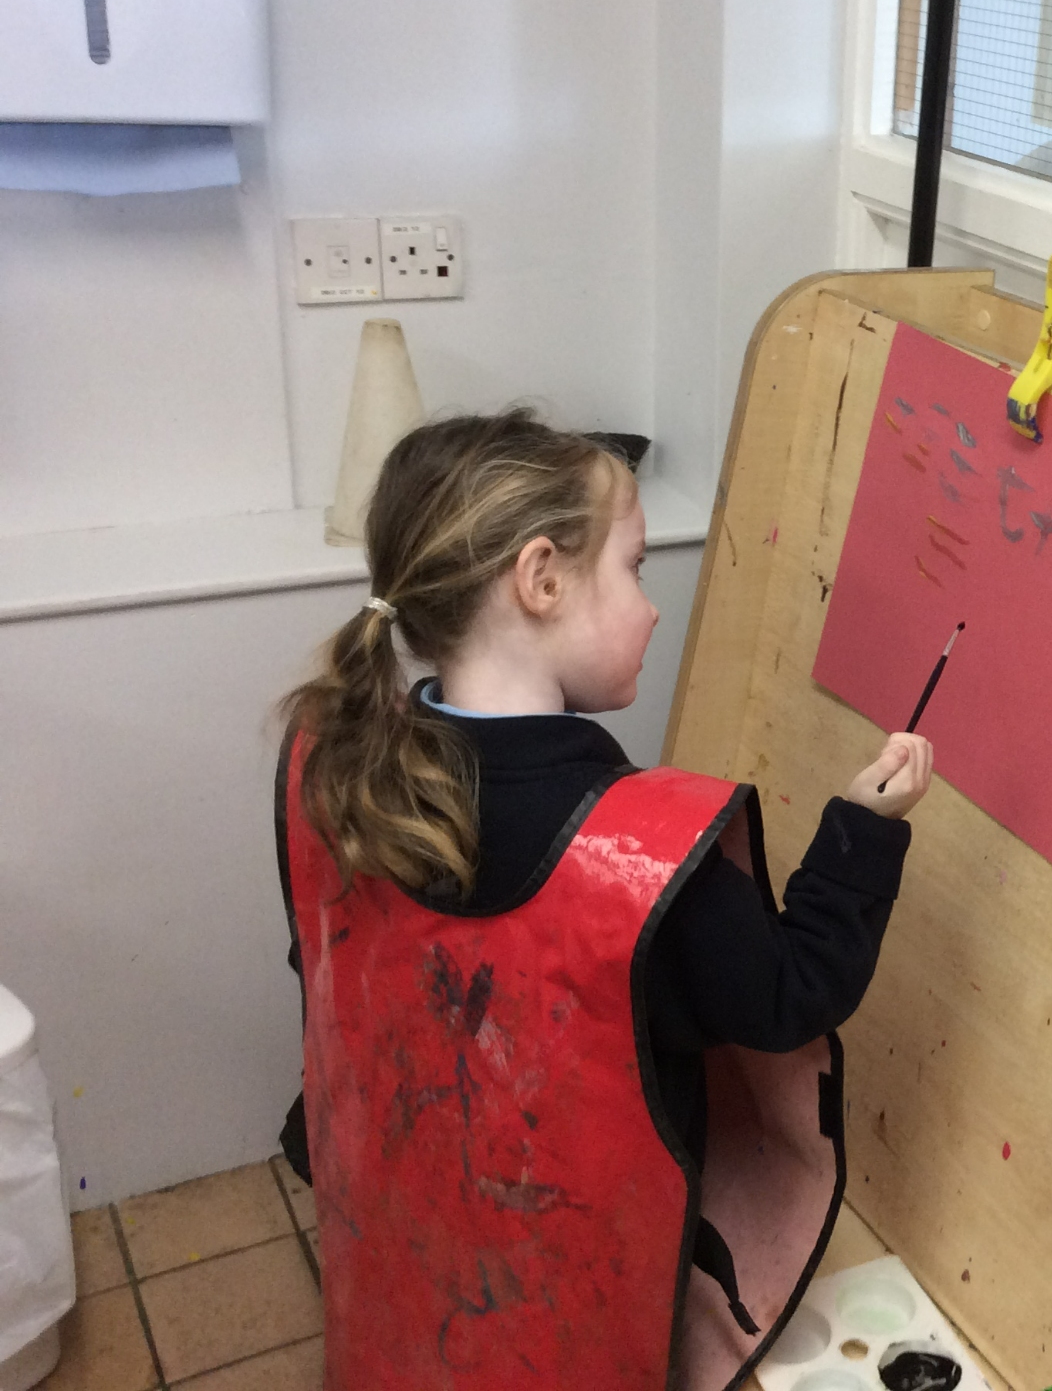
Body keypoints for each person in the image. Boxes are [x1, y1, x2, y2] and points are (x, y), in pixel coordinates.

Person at [274, 410, 933, 1390]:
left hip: (403, 1256)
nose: (653, 610)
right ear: (540, 579)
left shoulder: (331, 769)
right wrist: (862, 831)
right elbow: (788, 997)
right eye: (634, 569)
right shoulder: (636, 856)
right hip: (575, 1305)